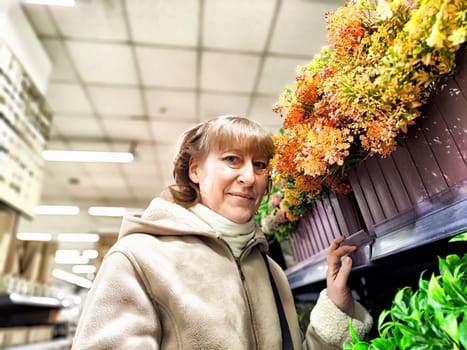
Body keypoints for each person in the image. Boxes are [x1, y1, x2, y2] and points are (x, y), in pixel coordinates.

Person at [71, 116, 372, 350]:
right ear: (195, 171)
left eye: (260, 165)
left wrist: (336, 304)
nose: (249, 177)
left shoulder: (270, 271)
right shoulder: (138, 259)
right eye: (232, 160)